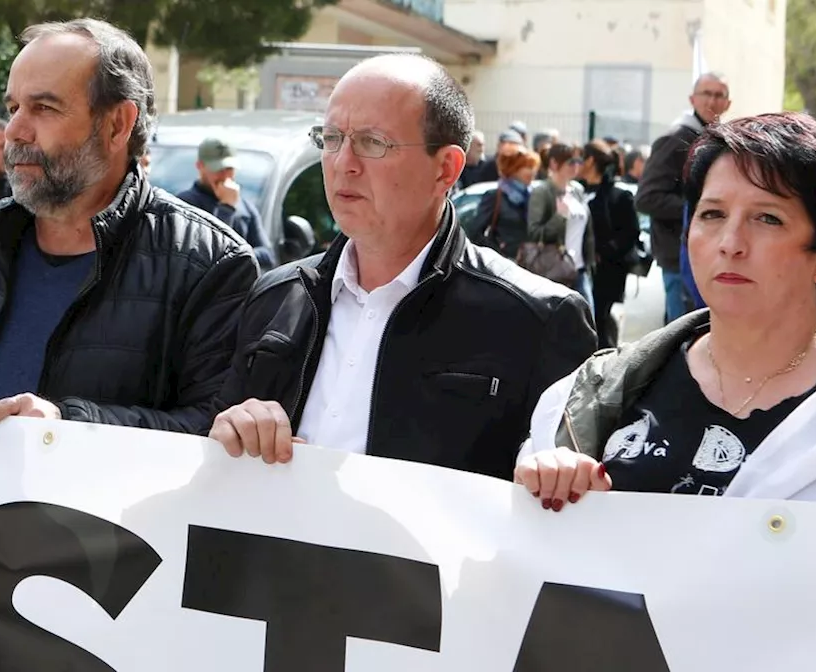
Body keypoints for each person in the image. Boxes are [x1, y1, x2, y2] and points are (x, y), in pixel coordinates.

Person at [208, 54, 595, 479]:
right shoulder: (276, 297)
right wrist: (231, 432)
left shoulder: (539, 320)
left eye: (373, 142)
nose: (343, 163)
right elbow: (217, 459)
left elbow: (562, 502)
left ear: (446, 169)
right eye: (332, 138)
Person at [518, 112, 816, 509]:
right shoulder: (601, 392)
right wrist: (545, 485)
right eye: (712, 214)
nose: (730, 243)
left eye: (768, 218)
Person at [0, 19, 259, 443]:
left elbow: (213, 433)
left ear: (117, 124)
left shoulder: (210, 265)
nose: (14, 132)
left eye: (43, 108)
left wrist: (67, 428)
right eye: (13, 108)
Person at [637, 73, 730, 325]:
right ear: (692, 99)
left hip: (710, 257)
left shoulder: (715, 139)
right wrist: (702, 211)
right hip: (679, 260)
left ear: (728, 103)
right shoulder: (676, 139)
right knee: (685, 339)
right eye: (706, 94)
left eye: (719, 95)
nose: (712, 100)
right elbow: (647, 198)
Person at [176, 137, 276, 269]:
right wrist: (226, 208)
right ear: (200, 166)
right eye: (217, 169)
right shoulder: (184, 205)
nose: (224, 175)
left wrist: (239, 256)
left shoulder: (246, 207)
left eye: (229, 168)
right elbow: (210, 255)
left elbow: (268, 256)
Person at [578, 140, 640, 348]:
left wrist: (604, 252)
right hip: (576, 268)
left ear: (591, 161)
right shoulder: (576, 191)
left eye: (581, 158)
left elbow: (630, 232)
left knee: (601, 324)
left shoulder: (618, 196)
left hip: (607, 270)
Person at [528, 143, 595, 312]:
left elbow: (587, 231)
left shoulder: (577, 190)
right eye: (571, 162)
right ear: (554, 164)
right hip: (554, 271)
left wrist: (590, 261)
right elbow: (534, 233)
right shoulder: (542, 192)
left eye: (579, 161)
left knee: (588, 322)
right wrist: (559, 217)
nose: (576, 166)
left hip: (579, 270)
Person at [464, 145, 540, 258]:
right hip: (506, 263)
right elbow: (475, 233)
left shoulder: (535, 195)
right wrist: (497, 253)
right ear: (512, 169)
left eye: (533, 167)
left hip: (532, 263)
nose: (532, 172)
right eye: (527, 167)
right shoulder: (495, 196)